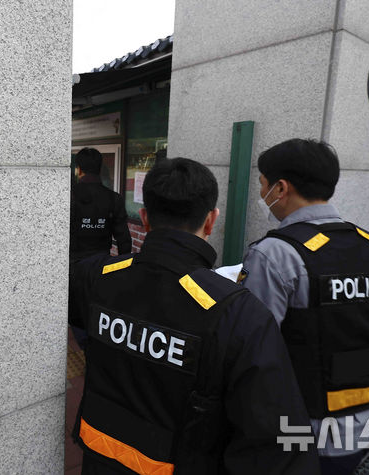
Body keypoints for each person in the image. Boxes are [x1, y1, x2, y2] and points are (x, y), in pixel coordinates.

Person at [69, 157, 320, 474]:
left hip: (100, 457)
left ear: (145, 218)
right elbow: (282, 442)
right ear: (211, 220)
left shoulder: (96, 275)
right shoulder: (239, 313)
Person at [241, 139, 369, 475]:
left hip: (298, 435)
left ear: (281, 188)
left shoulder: (274, 255)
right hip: (365, 428)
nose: (262, 193)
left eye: (262, 184)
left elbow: (252, 354)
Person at [70, 147, 132, 263]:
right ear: (100, 169)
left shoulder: (70, 195)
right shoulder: (114, 198)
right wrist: (123, 266)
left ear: (79, 170)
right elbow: (124, 239)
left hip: (73, 263)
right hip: (101, 263)